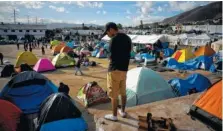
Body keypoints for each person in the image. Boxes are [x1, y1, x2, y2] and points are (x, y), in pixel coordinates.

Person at [103, 22, 132, 121]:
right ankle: (123, 112)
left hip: (114, 70)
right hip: (124, 70)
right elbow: (129, 52)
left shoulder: (113, 40)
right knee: (123, 92)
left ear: (111, 29)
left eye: (107, 31)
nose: (107, 34)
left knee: (113, 95)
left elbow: (111, 56)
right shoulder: (128, 38)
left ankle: (114, 116)